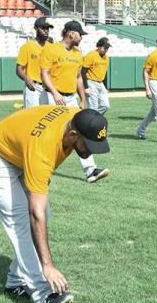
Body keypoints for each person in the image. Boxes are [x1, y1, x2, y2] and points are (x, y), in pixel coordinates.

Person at [0, 106, 110, 303]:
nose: (91, 150)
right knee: (20, 220)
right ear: (73, 134)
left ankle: (15, 281)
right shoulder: (44, 149)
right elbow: (34, 214)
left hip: (19, 152)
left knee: (43, 214)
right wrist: (48, 265)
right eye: (88, 144)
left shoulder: (75, 116)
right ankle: (43, 293)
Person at [40, 20, 109, 184]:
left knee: (80, 131)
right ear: (71, 33)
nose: (81, 38)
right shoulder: (51, 49)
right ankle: (43, 167)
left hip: (70, 97)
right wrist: (55, 93)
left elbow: (78, 77)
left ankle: (90, 170)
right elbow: (44, 74)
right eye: (80, 34)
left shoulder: (78, 53)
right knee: (50, 134)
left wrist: (83, 98)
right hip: (51, 96)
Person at [16, 17, 53, 107]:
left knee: (46, 116)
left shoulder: (52, 47)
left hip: (48, 86)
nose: (46, 31)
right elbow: (19, 69)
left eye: (47, 29)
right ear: (36, 29)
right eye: (43, 28)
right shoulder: (27, 46)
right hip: (33, 86)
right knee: (32, 116)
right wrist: (25, 78)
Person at [82, 37, 110, 115]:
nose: (106, 49)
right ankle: (92, 122)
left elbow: (105, 73)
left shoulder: (106, 57)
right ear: (99, 46)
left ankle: (93, 118)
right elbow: (83, 71)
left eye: (107, 48)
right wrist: (86, 87)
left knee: (105, 105)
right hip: (91, 82)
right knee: (93, 107)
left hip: (100, 83)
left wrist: (105, 86)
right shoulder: (91, 55)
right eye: (105, 47)